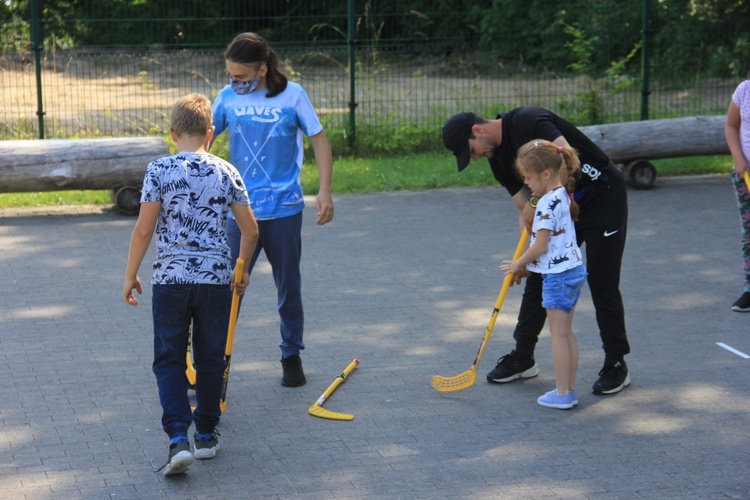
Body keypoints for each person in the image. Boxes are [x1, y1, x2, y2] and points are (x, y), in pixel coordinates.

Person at [442, 106, 631, 396]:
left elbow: (567, 160)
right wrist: (525, 258)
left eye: (472, 151)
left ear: (477, 131)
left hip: (601, 196)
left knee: (603, 281)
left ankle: (615, 362)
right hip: (560, 209)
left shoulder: (527, 120)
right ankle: (523, 355)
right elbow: (524, 210)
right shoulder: (498, 162)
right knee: (538, 274)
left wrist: (537, 205)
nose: (477, 158)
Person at [122, 93, 259, 476]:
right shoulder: (227, 170)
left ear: (171, 133)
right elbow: (250, 229)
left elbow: (145, 229)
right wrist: (241, 268)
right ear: (211, 132)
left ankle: (177, 438)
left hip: (170, 280)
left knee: (168, 358)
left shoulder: (158, 170)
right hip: (216, 279)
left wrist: (131, 273)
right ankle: (208, 434)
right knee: (211, 356)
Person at [212, 32, 334, 388]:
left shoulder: (293, 95)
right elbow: (203, 139)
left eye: (240, 77)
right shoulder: (226, 97)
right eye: (230, 76)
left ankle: (290, 355)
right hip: (241, 210)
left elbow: (320, 141)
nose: (233, 82)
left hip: (283, 208)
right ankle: (213, 361)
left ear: (262, 70)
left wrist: (324, 191)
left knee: (288, 285)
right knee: (229, 285)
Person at [500, 140, 587, 409]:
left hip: (559, 276)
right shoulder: (561, 192)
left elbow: (540, 245)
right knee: (565, 332)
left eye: (528, 177)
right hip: (572, 270)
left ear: (546, 174)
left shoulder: (548, 203)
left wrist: (518, 264)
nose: (526, 183)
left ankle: (563, 393)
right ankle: (568, 389)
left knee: (558, 335)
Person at [724, 81, 750, 312]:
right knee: (749, 234)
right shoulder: (745, 91)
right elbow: (731, 126)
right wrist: (739, 159)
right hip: (746, 177)